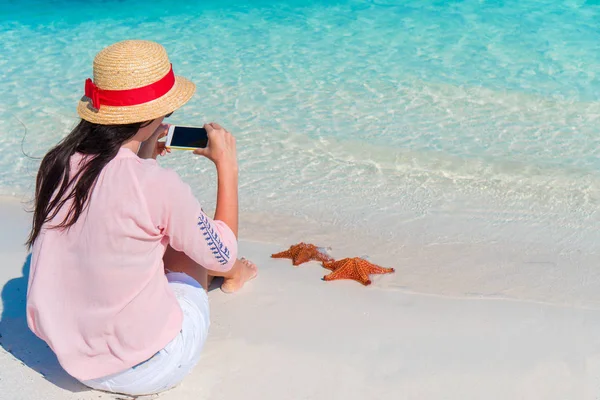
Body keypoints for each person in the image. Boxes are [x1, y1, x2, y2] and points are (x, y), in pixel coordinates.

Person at [25, 39, 257, 396]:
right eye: (168, 112)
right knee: (196, 250)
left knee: (152, 232)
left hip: (70, 358)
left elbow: (120, 207)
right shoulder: (155, 184)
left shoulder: (57, 163)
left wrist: (144, 150)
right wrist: (228, 165)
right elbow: (221, 253)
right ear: (152, 117)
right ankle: (236, 278)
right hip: (148, 366)